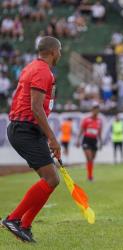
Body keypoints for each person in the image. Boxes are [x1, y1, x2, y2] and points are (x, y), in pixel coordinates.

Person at [1, 36, 62, 243]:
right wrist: (53, 138)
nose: (60, 54)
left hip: (27, 130)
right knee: (52, 179)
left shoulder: (32, 67)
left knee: (51, 179)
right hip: (24, 130)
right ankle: (14, 219)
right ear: (53, 51)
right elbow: (36, 108)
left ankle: (23, 226)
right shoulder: (42, 71)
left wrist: (45, 136)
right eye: (59, 51)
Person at [76, 104, 102, 181]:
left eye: (97, 110)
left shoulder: (99, 121)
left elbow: (99, 132)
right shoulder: (86, 119)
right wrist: (78, 140)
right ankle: (90, 177)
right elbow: (81, 130)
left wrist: (101, 141)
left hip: (94, 141)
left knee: (92, 158)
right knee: (90, 158)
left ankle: (89, 169)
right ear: (92, 110)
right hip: (86, 139)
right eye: (95, 109)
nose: (96, 111)